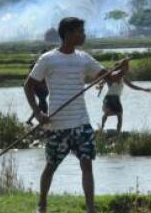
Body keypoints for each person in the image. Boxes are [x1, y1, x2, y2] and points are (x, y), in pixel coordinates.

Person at [25, 16, 128, 213]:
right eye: (80, 31)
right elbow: (28, 85)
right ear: (68, 34)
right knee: (51, 166)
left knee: (87, 164)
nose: (84, 35)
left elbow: (111, 79)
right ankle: (42, 204)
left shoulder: (84, 59)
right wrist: (38, 114)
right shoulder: (48, 59)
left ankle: (90, 209)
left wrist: (122, 70)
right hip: (57, 123)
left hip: (81, 122)